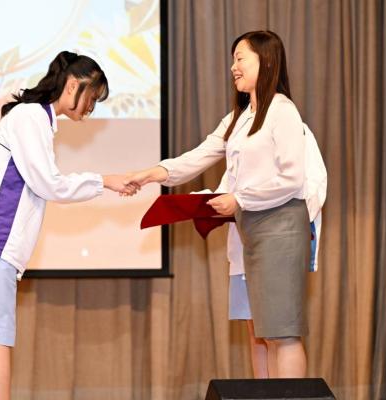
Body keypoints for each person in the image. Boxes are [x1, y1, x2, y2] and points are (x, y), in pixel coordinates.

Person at [0, 51, 137, 400]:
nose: (91, 108)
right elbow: (49, 184)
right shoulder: (30, 117)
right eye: (92, 97)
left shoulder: (35, 118)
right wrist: (105, 181)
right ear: (72, 85)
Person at [126, 31, 311, 377]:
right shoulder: (238, 117)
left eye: (240, 58)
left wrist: (239, 199)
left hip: (279, 230)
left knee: (281, 331)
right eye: (233, 60)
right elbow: (198, 156)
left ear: (266, 61)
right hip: (246, 232)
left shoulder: (283, 111)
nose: (233, 67)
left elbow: (292, 178)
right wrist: (150, 174)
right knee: (258, 332)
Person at [194, 122, 326, 378]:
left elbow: (312, 186)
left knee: (281, 332)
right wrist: (206, 202)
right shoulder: (241, 133)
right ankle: (263, 394)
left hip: (277, 244)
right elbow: (230, 189)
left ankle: (285, 396)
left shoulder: (291, 126)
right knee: (257, 333)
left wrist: (279, 222)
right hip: (244, 248)